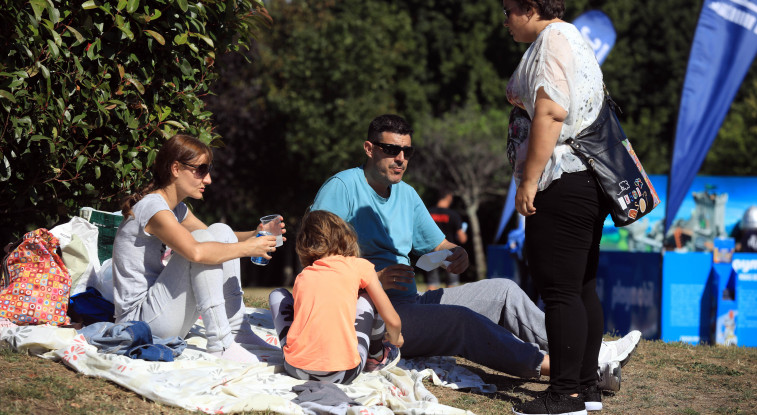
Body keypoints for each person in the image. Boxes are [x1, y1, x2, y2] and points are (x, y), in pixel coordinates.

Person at [310, 114, 640, 395]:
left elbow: (438, 245)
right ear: (369, 149)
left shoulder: (406, 194)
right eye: (391, 149)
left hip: (411, 303)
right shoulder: (342, 188)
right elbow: (313, 259)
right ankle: (572, 371)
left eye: (406, 151)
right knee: (463, 322)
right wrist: (371, 279)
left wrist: (456, 253)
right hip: (372, 315)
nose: (400, 158)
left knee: (503, 290)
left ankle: (590, 352)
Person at [503, 0, 612, 414]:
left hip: (563, 179)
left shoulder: (551, 44)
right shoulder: (571, 38)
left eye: (510, 11)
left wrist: (528, 181)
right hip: (587, 180)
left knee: (560, 290)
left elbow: (549, 114)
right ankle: (585, 386)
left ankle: (564, 393)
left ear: (531, 9)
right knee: (580, 286)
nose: (506, 19)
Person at [113, 134, 282, 363]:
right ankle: (220, 343)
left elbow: (217, 239)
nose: (208, 179)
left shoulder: (177, 209)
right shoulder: (153, 209)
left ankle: (237, 331)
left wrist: (255, 234)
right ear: (175, 168)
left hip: (162, 315)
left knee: (219, 230)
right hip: (140, 324)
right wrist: (248, 249)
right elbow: (197, 252)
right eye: (201, 170)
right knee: (202, 242)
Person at [268, 210, 404, 384]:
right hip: (344, 372)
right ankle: (376, 357)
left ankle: (294, 352)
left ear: (303, 244)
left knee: (277, 295)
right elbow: (393, 321)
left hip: (296, 369)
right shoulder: (360, 266)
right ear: (345, 236)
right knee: (369, 295)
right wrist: (396, 338)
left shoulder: (304, 276)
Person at [426, 189, 468, 290]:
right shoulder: (453, 214)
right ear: (449, 197)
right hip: (449, 250)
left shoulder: (428, 212)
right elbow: (462, 239)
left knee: (432, 281)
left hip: (432, 249)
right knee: (452, 282)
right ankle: (449, 304)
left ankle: (429, 305)